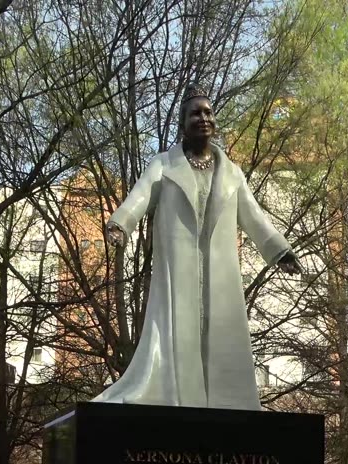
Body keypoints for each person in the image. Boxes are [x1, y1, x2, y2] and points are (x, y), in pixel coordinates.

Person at [96, 85, 302, 411]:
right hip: (179, 270)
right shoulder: (164, 165)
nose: (203, 118)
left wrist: (279, 251)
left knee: (220, 337)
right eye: (195, 113)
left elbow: (254, 217)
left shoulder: (231, 174)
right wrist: (121, 223)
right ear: (183, 123)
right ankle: (177, 398)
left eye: (208, 113)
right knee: (178, 334)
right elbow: (140, 195)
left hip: (219, 275)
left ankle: (224, 405)